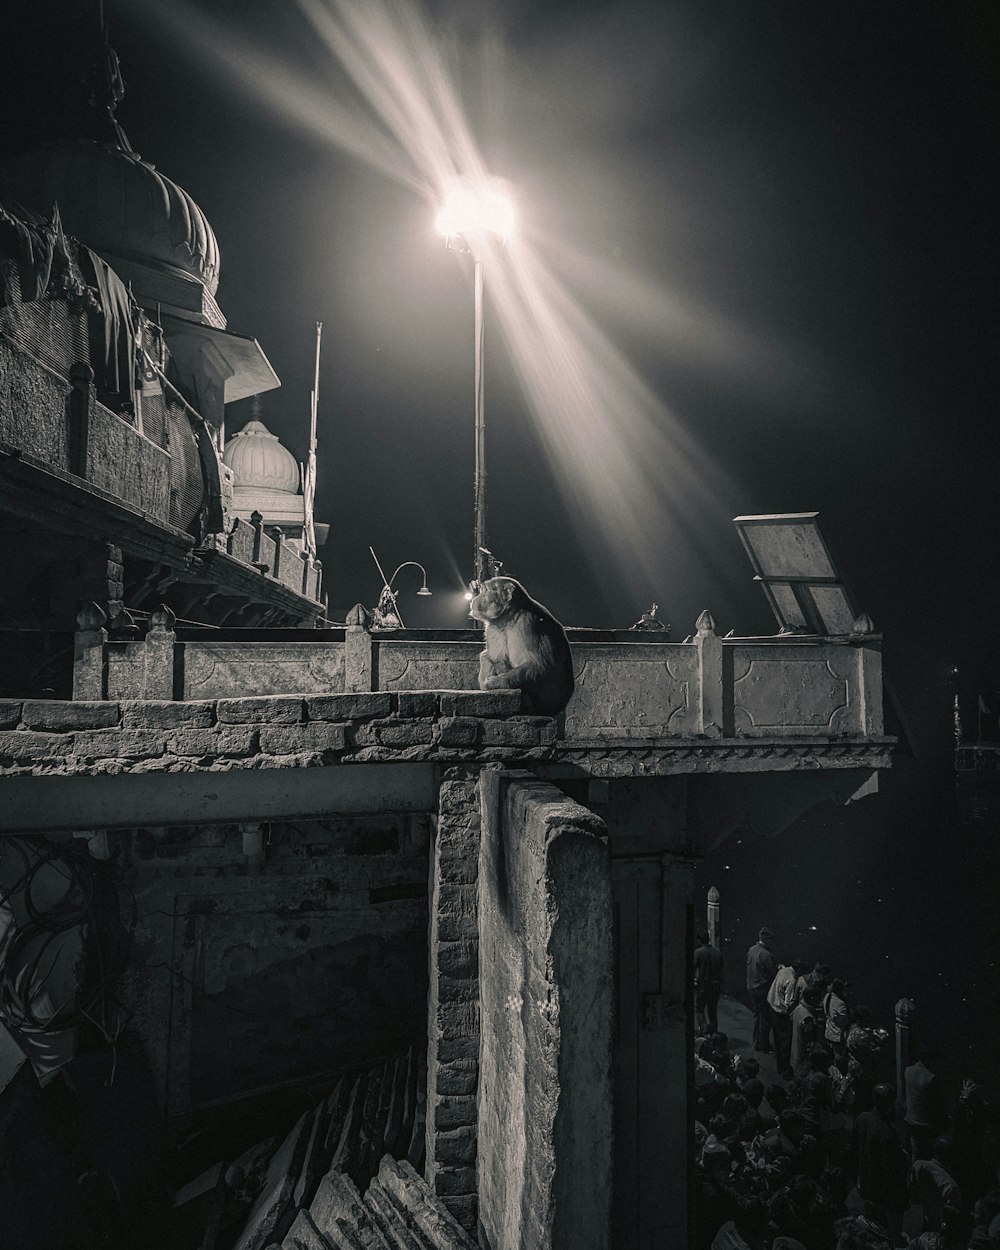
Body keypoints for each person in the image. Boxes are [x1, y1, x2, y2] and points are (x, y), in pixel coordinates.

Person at [854, 1083, 908, 1236]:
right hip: (883, 1190)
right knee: (889, 1230)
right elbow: (891, 1167)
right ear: (891, 1103)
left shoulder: (861, 1119)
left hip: (866, 1181)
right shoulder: (886, 1133)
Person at [909, 1135, 961, 1233]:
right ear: (954, 1156)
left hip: (910, 1221)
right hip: (933, 1232)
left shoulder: (918, 1165)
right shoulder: (950, 1186)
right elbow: (951, 1217)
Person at [769, 959, 808, 1080]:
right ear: (800, 970)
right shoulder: (792, 980)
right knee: (785, 1042)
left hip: (772, 1005)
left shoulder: (783, 970)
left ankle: (779, 1066)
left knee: (777, 1039)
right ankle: (785, 1069)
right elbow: (788, 1002)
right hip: (781, 1012)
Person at [904, 1049, 943, 1162]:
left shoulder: (908, 1071)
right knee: (927, 1154)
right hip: (925, 1122)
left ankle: (913, 1176)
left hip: (911, 1120)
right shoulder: (931, 1077)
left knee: (915, 1153)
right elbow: (937, 1103)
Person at [746, 927, 777, 1054]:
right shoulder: (766, 954)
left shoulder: (751, 950)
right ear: (767, 940)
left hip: (752, 987)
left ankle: (756, 1042)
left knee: (757, 1016)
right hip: (762, 989)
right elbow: (772, 973)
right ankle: (764, 1045)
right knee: (765, 1018)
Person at [695, 929, 724, 1035]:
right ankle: (714, 1033)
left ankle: (704, 1030)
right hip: (715, 985)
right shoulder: (717, 952)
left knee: (699, 1008)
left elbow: (693, 967)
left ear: (699, 940)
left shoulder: (699, 952)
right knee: (712, 1010)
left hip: (703, 985)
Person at [790, 987, 822, 1073]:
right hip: (803, 1061)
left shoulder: (798, 1008)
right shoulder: (808, 1018)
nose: (820, 1001)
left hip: (795, 1055)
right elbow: (809, 1044)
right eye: (818, 998)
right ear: (812, 998)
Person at [822, 978, 851, 1070]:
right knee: (839, 1058)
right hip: (837, 1035)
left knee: (832, 1056)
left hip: (828, 1031)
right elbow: (845, 1020)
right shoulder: (840, 1004)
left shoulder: (827, 997)